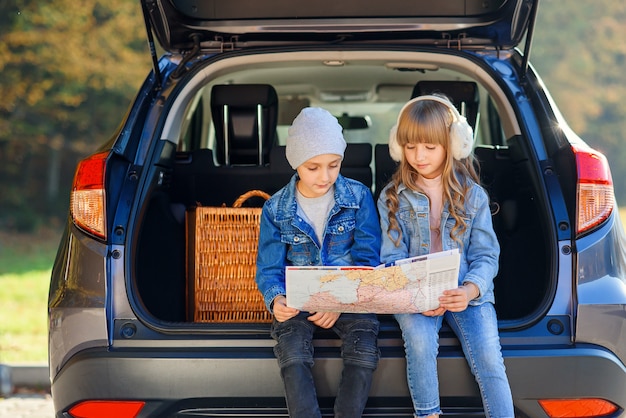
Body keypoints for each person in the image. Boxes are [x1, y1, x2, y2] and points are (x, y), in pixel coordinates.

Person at [377, 95, 514, 418]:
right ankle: (429, 414)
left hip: (465, 291)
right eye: (409, 147)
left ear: (452, 145)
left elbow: (486, 255)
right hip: (413, 292)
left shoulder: (473, 196)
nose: (418, 156)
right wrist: (419, 293)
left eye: (429, 147)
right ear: (399, 147)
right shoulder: (392, 197)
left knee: (490, 358)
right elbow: (391, 257)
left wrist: (469, 290)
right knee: (420, 343)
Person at [255, 106, 381, 418]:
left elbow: (367, 261)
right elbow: (269, 269)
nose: (324, 176)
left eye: (333, 165)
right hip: (299, 302)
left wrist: (340, 301)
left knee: (363, 352)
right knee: (292, 353)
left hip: (351, 298)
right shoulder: (275, 209)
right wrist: (277, 300)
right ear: (296, 163)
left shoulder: (359, 197)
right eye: (313, 168)